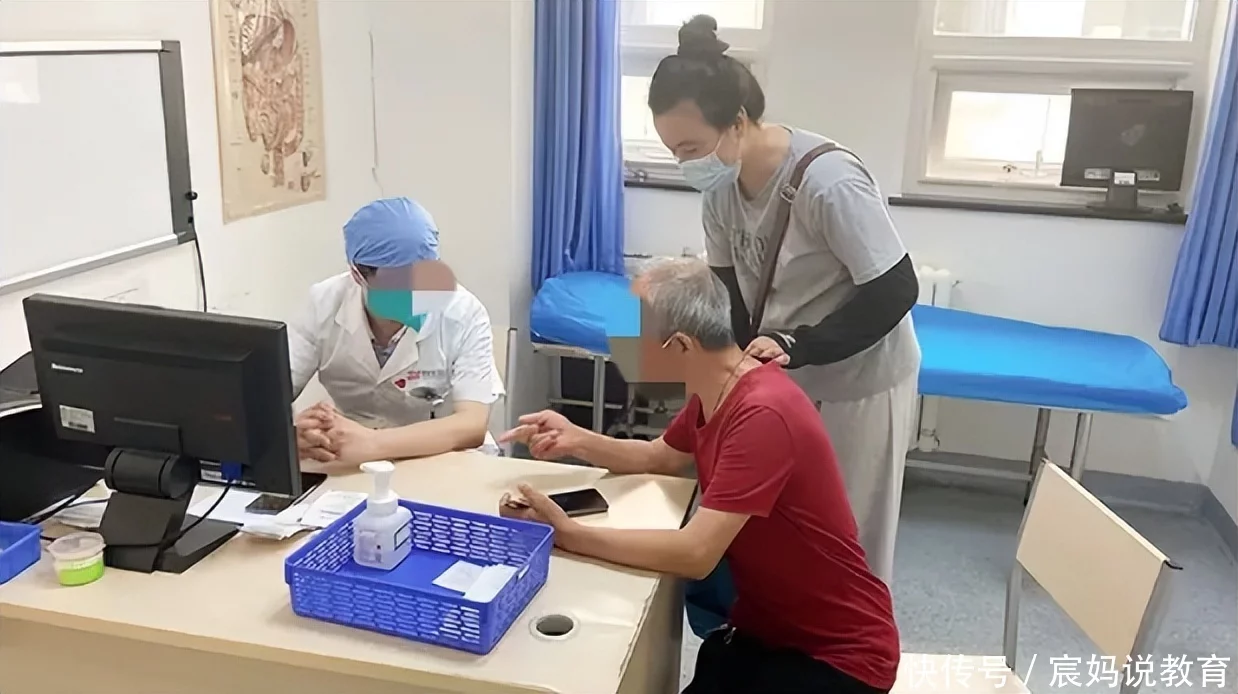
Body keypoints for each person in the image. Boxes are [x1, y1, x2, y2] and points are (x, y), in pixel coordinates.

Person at [500, 259, 899, 694]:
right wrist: (576, 438)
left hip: (839, 656)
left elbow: (696, 553)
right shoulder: (718, 388)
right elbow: (660, 457)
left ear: (680, 346)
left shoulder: (763, 413)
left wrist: (567, 534)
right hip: (768, 630)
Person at [646, 15, 921, 585]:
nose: (685, 164)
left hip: (857, 382)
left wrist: (799, 344)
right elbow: (728, 291)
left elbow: (895, 288)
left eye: (691, 147)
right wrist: (720, 370)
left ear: (738, 122)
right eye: (673, 151)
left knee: (848, 536)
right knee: (780, 529)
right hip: (784, 374)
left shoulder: (829, 182)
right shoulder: (720, 189)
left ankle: (853, 635)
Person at [289, 197, 504, 468]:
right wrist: (294, 434)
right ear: (358, 274)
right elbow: (270, 391)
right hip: (351, 457)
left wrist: (373, 443)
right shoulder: (323, 303)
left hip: (444, 454)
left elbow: (471, 424)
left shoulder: (462, 312)